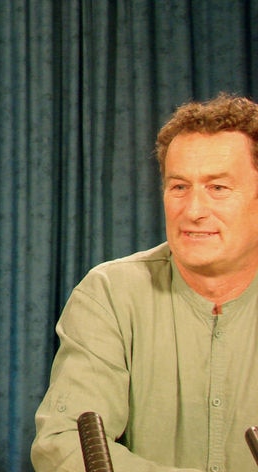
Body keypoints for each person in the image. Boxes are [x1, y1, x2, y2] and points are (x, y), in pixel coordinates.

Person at [31, 93, 258, 471]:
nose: (194, 210)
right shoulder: (110, 294)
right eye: (179, 187)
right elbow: (66, 446)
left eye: (218, 188)